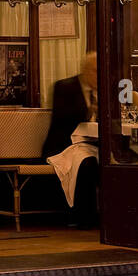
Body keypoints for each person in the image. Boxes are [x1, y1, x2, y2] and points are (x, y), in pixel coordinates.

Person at [43, 51, 99, 229]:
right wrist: (89, 110)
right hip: (64, 145)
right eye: (94, 71)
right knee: (87, 164)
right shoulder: (64, 87)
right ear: (85, 70)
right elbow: (62, 117)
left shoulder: (104, 88)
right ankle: (84, 217)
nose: (98, 76)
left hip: (93, 144)